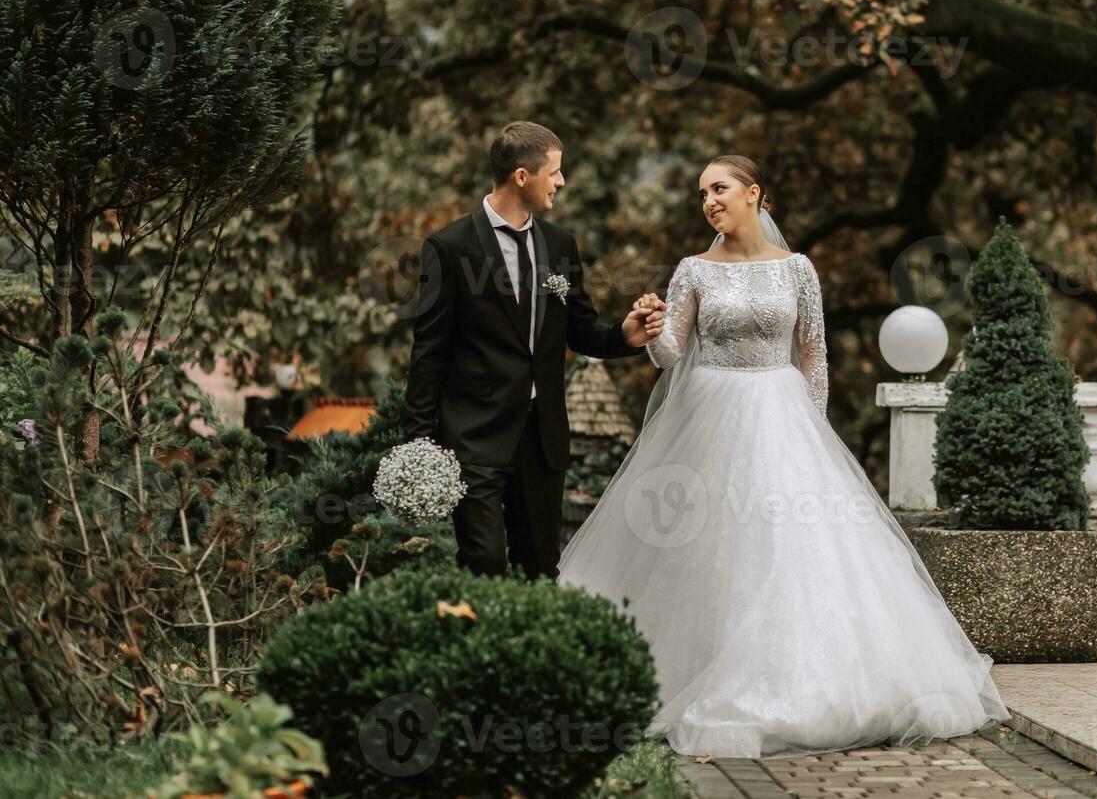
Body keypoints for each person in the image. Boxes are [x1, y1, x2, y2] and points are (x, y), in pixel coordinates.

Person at [558, 155, 1009, 758]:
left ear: (753, 193)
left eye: (719, 189)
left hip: (782, 412)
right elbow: (671, 355)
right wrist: (651, 324)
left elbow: (813, 353)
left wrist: (812, 434)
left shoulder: (797, 269)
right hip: (708, 412)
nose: (709, 201)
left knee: (789, 546)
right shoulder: (693, 270)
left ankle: (807, 678)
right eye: (701, 194)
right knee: (708, 545)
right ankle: (703, 669)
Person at [404, 121, 665, 581]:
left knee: (540, 569)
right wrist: (421, 444)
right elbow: (429, 352)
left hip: (542, 440)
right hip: (474, 437)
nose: (562, 182)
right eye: (555, 172)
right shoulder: (449, 247)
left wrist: (624, 335)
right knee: (483, 561)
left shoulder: (560, 243)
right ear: (522, 176)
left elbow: (580, 329)